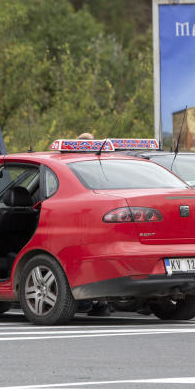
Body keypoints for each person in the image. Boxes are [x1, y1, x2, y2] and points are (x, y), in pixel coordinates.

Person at [77, 132, 111, 318]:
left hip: (86, 219)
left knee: (84, 259)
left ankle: (86, 300)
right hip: (105, 219)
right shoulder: (105, 164)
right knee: (99, 261)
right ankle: (102, 303)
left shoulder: (75, 165)